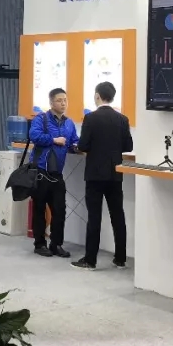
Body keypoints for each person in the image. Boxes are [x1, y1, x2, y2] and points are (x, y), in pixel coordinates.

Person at [72, 81, 133, 270]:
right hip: (115, 174)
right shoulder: (122, 119)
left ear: (97, 96)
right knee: (118, 215)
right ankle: (120, 258)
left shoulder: (90, 118)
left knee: (94, 217)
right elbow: (128, 146)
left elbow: (83, 145)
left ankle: (90, 260)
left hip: (95, 175)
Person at [29, 88, 77, 258]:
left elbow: (73, 140)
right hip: (41, 171)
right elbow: (34, 135)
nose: (63, 103)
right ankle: (39, 244)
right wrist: (54, 140)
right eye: (59, 100)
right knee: (39, 209)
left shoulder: (69, 123)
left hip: (57, 173)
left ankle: (56, 244)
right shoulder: (41, 119)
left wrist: (78, 146)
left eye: (65, 100)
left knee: (60, 210)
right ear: (51, 103)